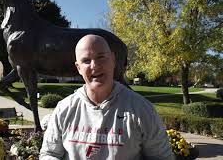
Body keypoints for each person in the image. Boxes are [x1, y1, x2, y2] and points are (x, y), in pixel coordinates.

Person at [40, 34, 174, 160]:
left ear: (113, 60)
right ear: (78, 68)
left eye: (101, 57)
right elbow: (49, 153)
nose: (95, 65)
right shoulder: (64, 109)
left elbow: (162, 157)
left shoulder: (141, 110)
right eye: (86, 60)